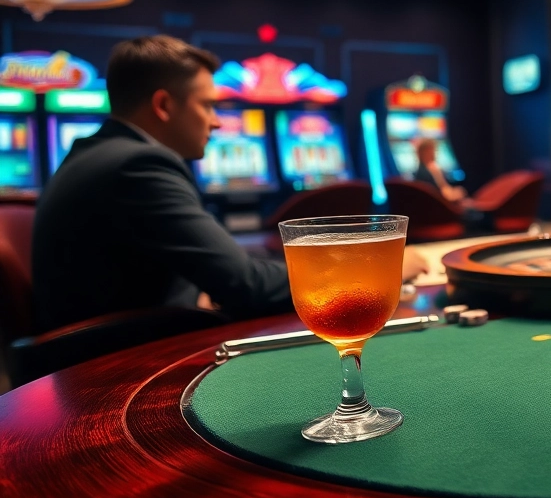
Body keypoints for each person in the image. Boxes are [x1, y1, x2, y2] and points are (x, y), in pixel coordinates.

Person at [32, 35, 428, 333]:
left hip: (119, 336)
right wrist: (380, 272)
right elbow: (246, 286)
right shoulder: (138, 166)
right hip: (107, 364)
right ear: (164, 106)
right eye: (208, 105)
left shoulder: (99, 152)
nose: (219, 122)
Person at [413, 137, 467, 204]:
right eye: (432, 150)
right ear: (424, 152)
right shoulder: (424, 173)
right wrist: (454, 195)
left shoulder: (433, 167)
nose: (435, 153)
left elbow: (444, 188)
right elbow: (434, 194)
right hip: (437, 204)